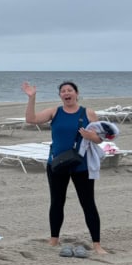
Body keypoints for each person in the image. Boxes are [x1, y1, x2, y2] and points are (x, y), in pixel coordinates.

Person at [23, 80, 106, 254]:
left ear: (76, 93)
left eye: (70, 90)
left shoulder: (88, 113)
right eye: (63, 91)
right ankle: (54, 239)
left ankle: (97, 244)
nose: (66, 93)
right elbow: (31, 119)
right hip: (57, 164)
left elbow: (100, 138)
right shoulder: (55, 111)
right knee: (56, 202)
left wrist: (91, 135)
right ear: (60, 95)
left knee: (88, 203)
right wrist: (32, 97)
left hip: (81, 165)